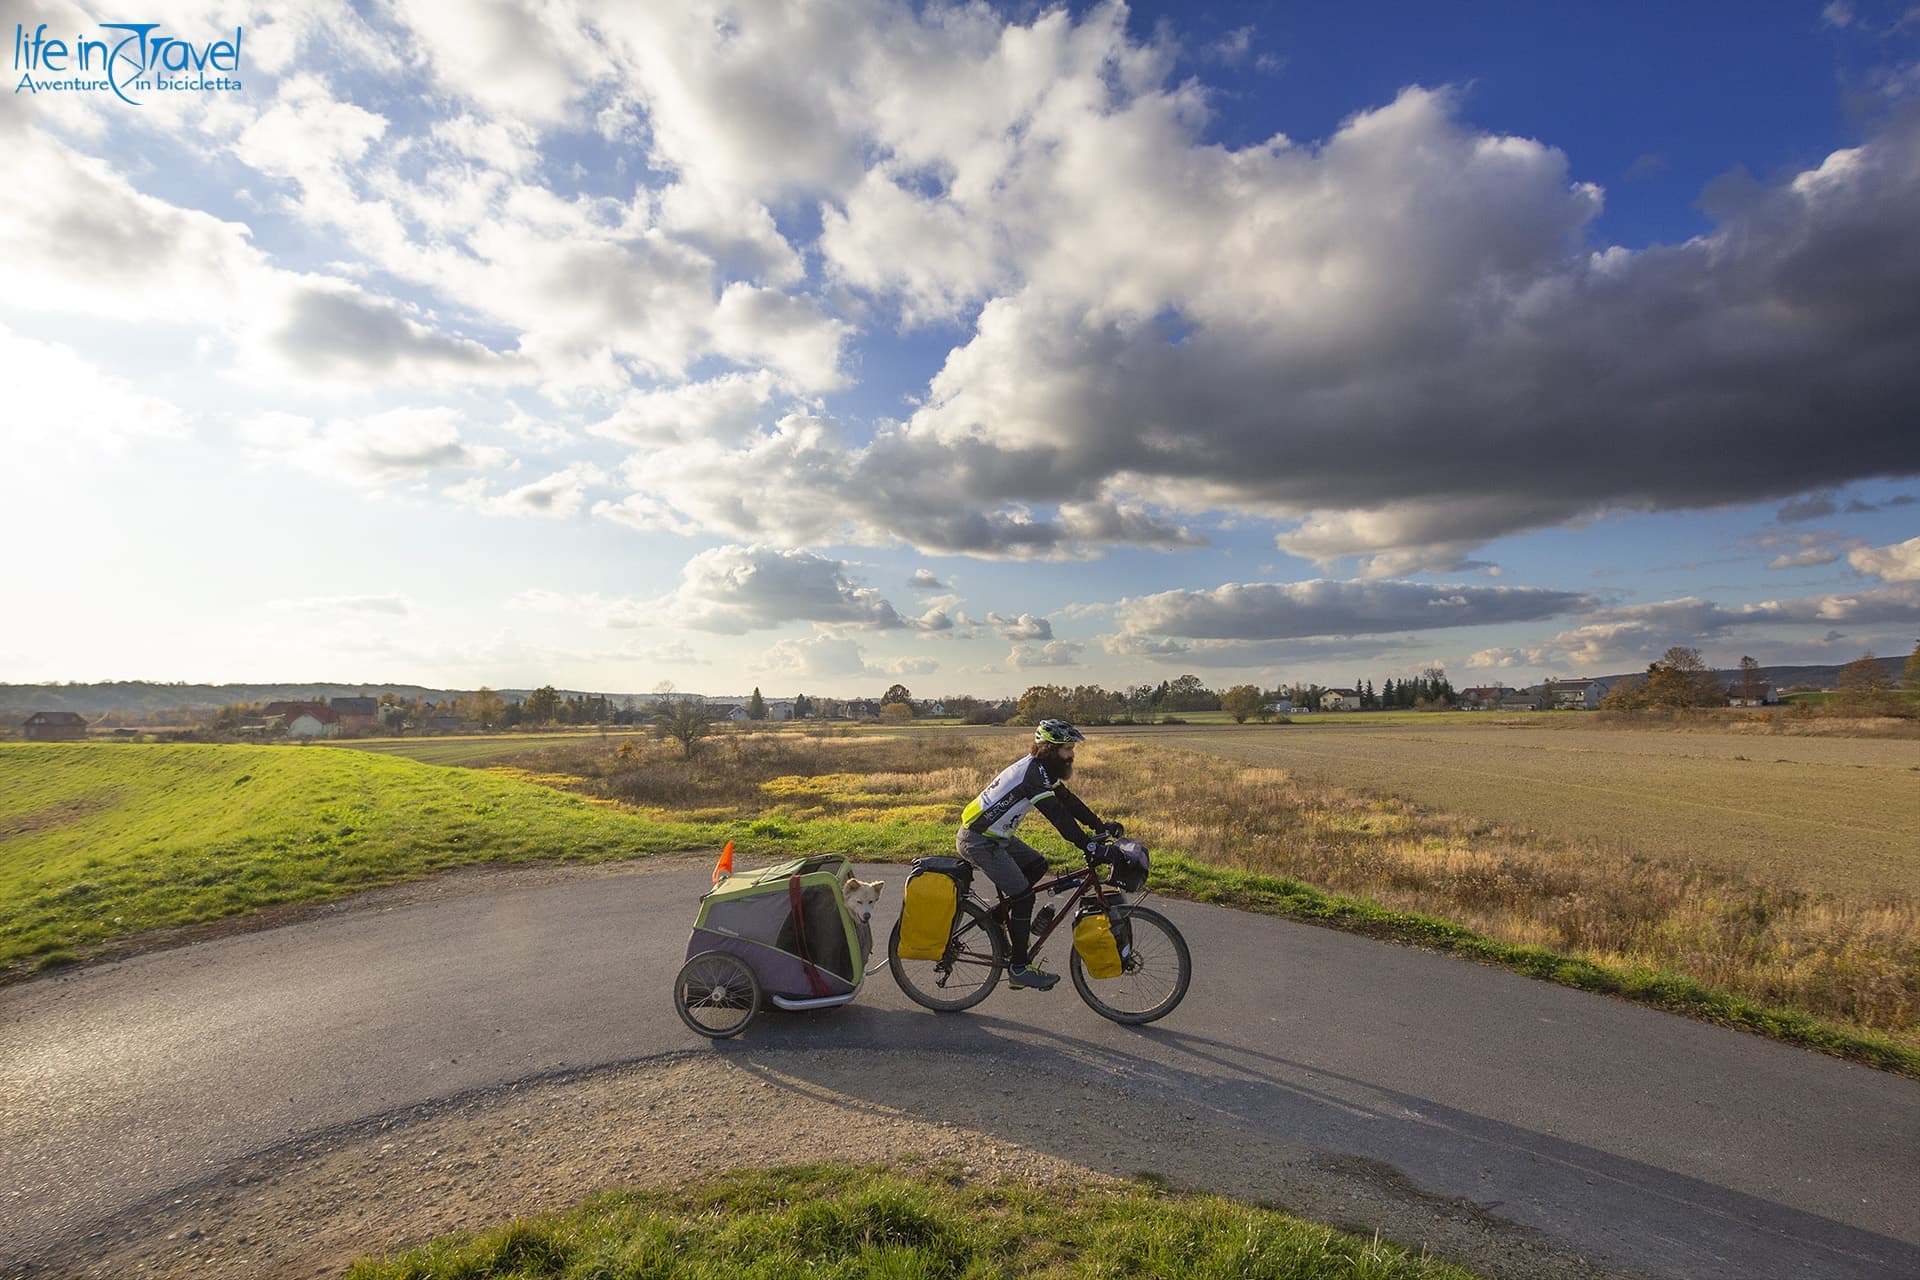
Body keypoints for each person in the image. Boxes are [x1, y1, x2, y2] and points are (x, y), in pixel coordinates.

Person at [956, 719, 1123, 990]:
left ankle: (998, 924)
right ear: (1049, 749)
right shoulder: (1033, 775)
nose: (1072, 753)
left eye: (1072, 748)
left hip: (995, 837)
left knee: (1036, 866)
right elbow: (1058, 816)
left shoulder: (1042, 770)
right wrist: (1090, 846)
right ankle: (1019, 968)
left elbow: (1067, 802)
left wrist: (1098, 826)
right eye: (1067, 748)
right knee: (1024, 897)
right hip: (978, 840)